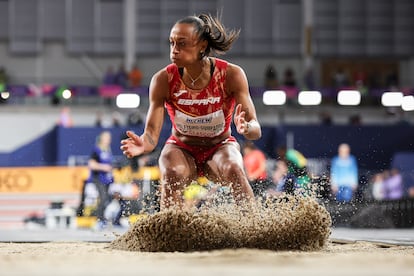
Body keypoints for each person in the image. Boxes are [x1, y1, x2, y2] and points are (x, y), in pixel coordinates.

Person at [120, 14, 262, 210]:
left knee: (234, 168)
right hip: (181, 148)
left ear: (202, 46)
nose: (174, 50)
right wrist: (144, 144)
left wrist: (247, 128)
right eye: (171, 43)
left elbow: (256, 129)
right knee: (171, 172)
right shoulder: (163, 80)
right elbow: (151, 135)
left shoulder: (231, 75)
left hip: (219, 147)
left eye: (182, 44)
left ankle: (254, 227)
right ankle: (172, 231)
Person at [87, 131, 114, 228]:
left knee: (107, 199)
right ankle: (99, 220)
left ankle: (103, 219)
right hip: (98, 178)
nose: (109, 140)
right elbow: (91, 164)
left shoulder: (108, 150)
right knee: (103, 199)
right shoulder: (96, 150)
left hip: (107, 179)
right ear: (102, 138)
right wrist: (104, 167)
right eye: (107, 138)